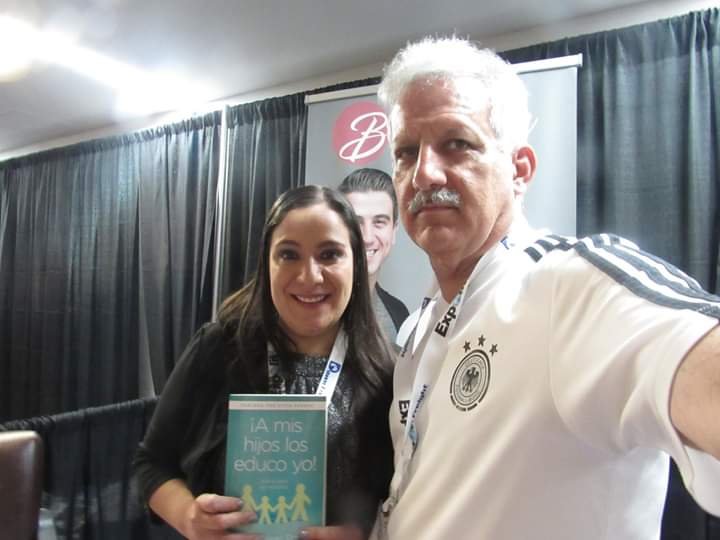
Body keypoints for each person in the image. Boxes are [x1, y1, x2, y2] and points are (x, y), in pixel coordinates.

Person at [372, 36, 720, 540]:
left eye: (456, 143)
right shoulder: (416, 329)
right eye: (406, 152)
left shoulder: (570, 284)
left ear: (519, 170)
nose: (424, 173)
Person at [134, 185, 394, 540]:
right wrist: (189, 517)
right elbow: (151, 463)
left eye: (330, 254)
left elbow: (396, 495)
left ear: (356, 263)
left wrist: (363, 532)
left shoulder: (385, 374)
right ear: (266, 263)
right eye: (289, 254)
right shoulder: (219, 348)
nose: (309, 276)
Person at [338, 168, 409, 343]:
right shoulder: (312, 305)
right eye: (356, 222)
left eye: (379, 222)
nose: (367, 237)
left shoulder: (398, 314)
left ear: (394, 231)